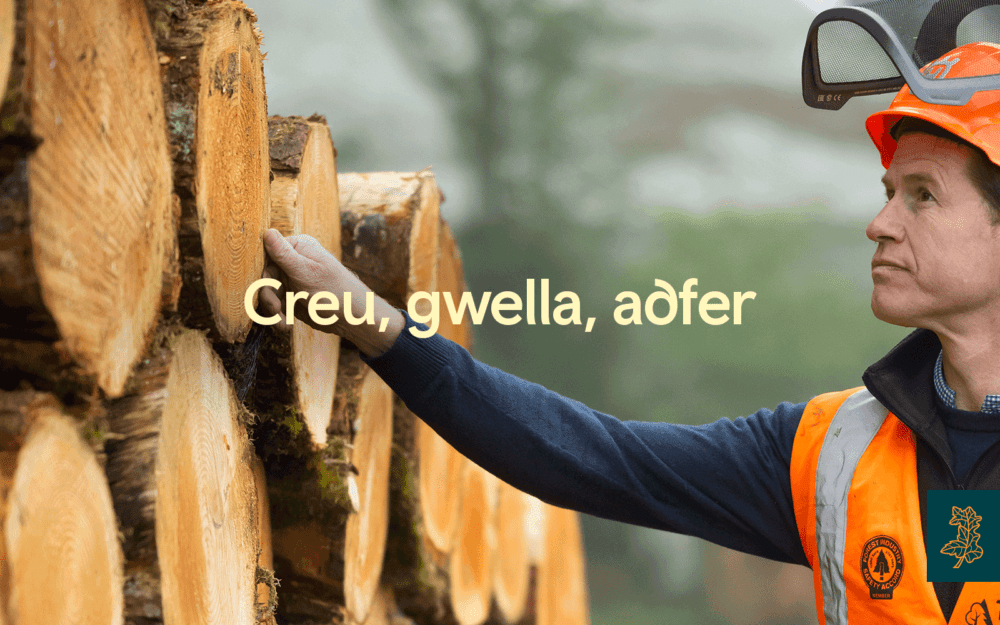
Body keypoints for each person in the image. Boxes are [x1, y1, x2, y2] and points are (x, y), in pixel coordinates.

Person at [257, 41, 1000, 625]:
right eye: (888, 192)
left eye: (923, 196)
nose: (880, 223)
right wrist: (378, 324)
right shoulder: (834, 450)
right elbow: (591, 457)